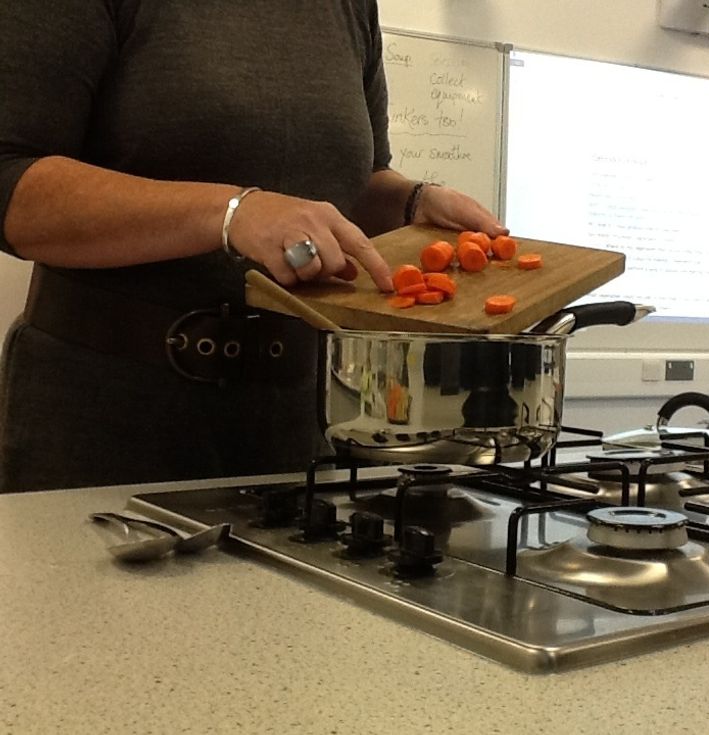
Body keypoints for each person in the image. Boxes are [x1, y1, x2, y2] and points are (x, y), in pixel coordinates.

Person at [0, 0, 506, 492]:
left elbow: (351, 185)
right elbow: (10, 181)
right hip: (106, 418)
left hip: (296, 420)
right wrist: (232, 212)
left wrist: (412, 204)